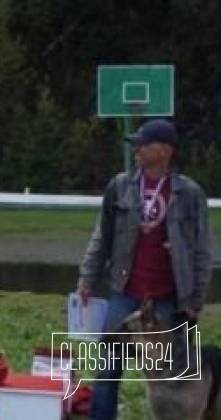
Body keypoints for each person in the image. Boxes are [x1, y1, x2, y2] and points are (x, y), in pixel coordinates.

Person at [77, 119, 212, 419]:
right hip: (125, 293)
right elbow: (102, 235)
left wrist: (195, 299)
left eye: (143, 144)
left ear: (164, 151)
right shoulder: (120, 186)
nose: (136, 149)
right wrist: (87, 277)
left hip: (168, 300)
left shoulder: (190, 193)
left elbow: (202, 250)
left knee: (175, 375)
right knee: (108, 369)